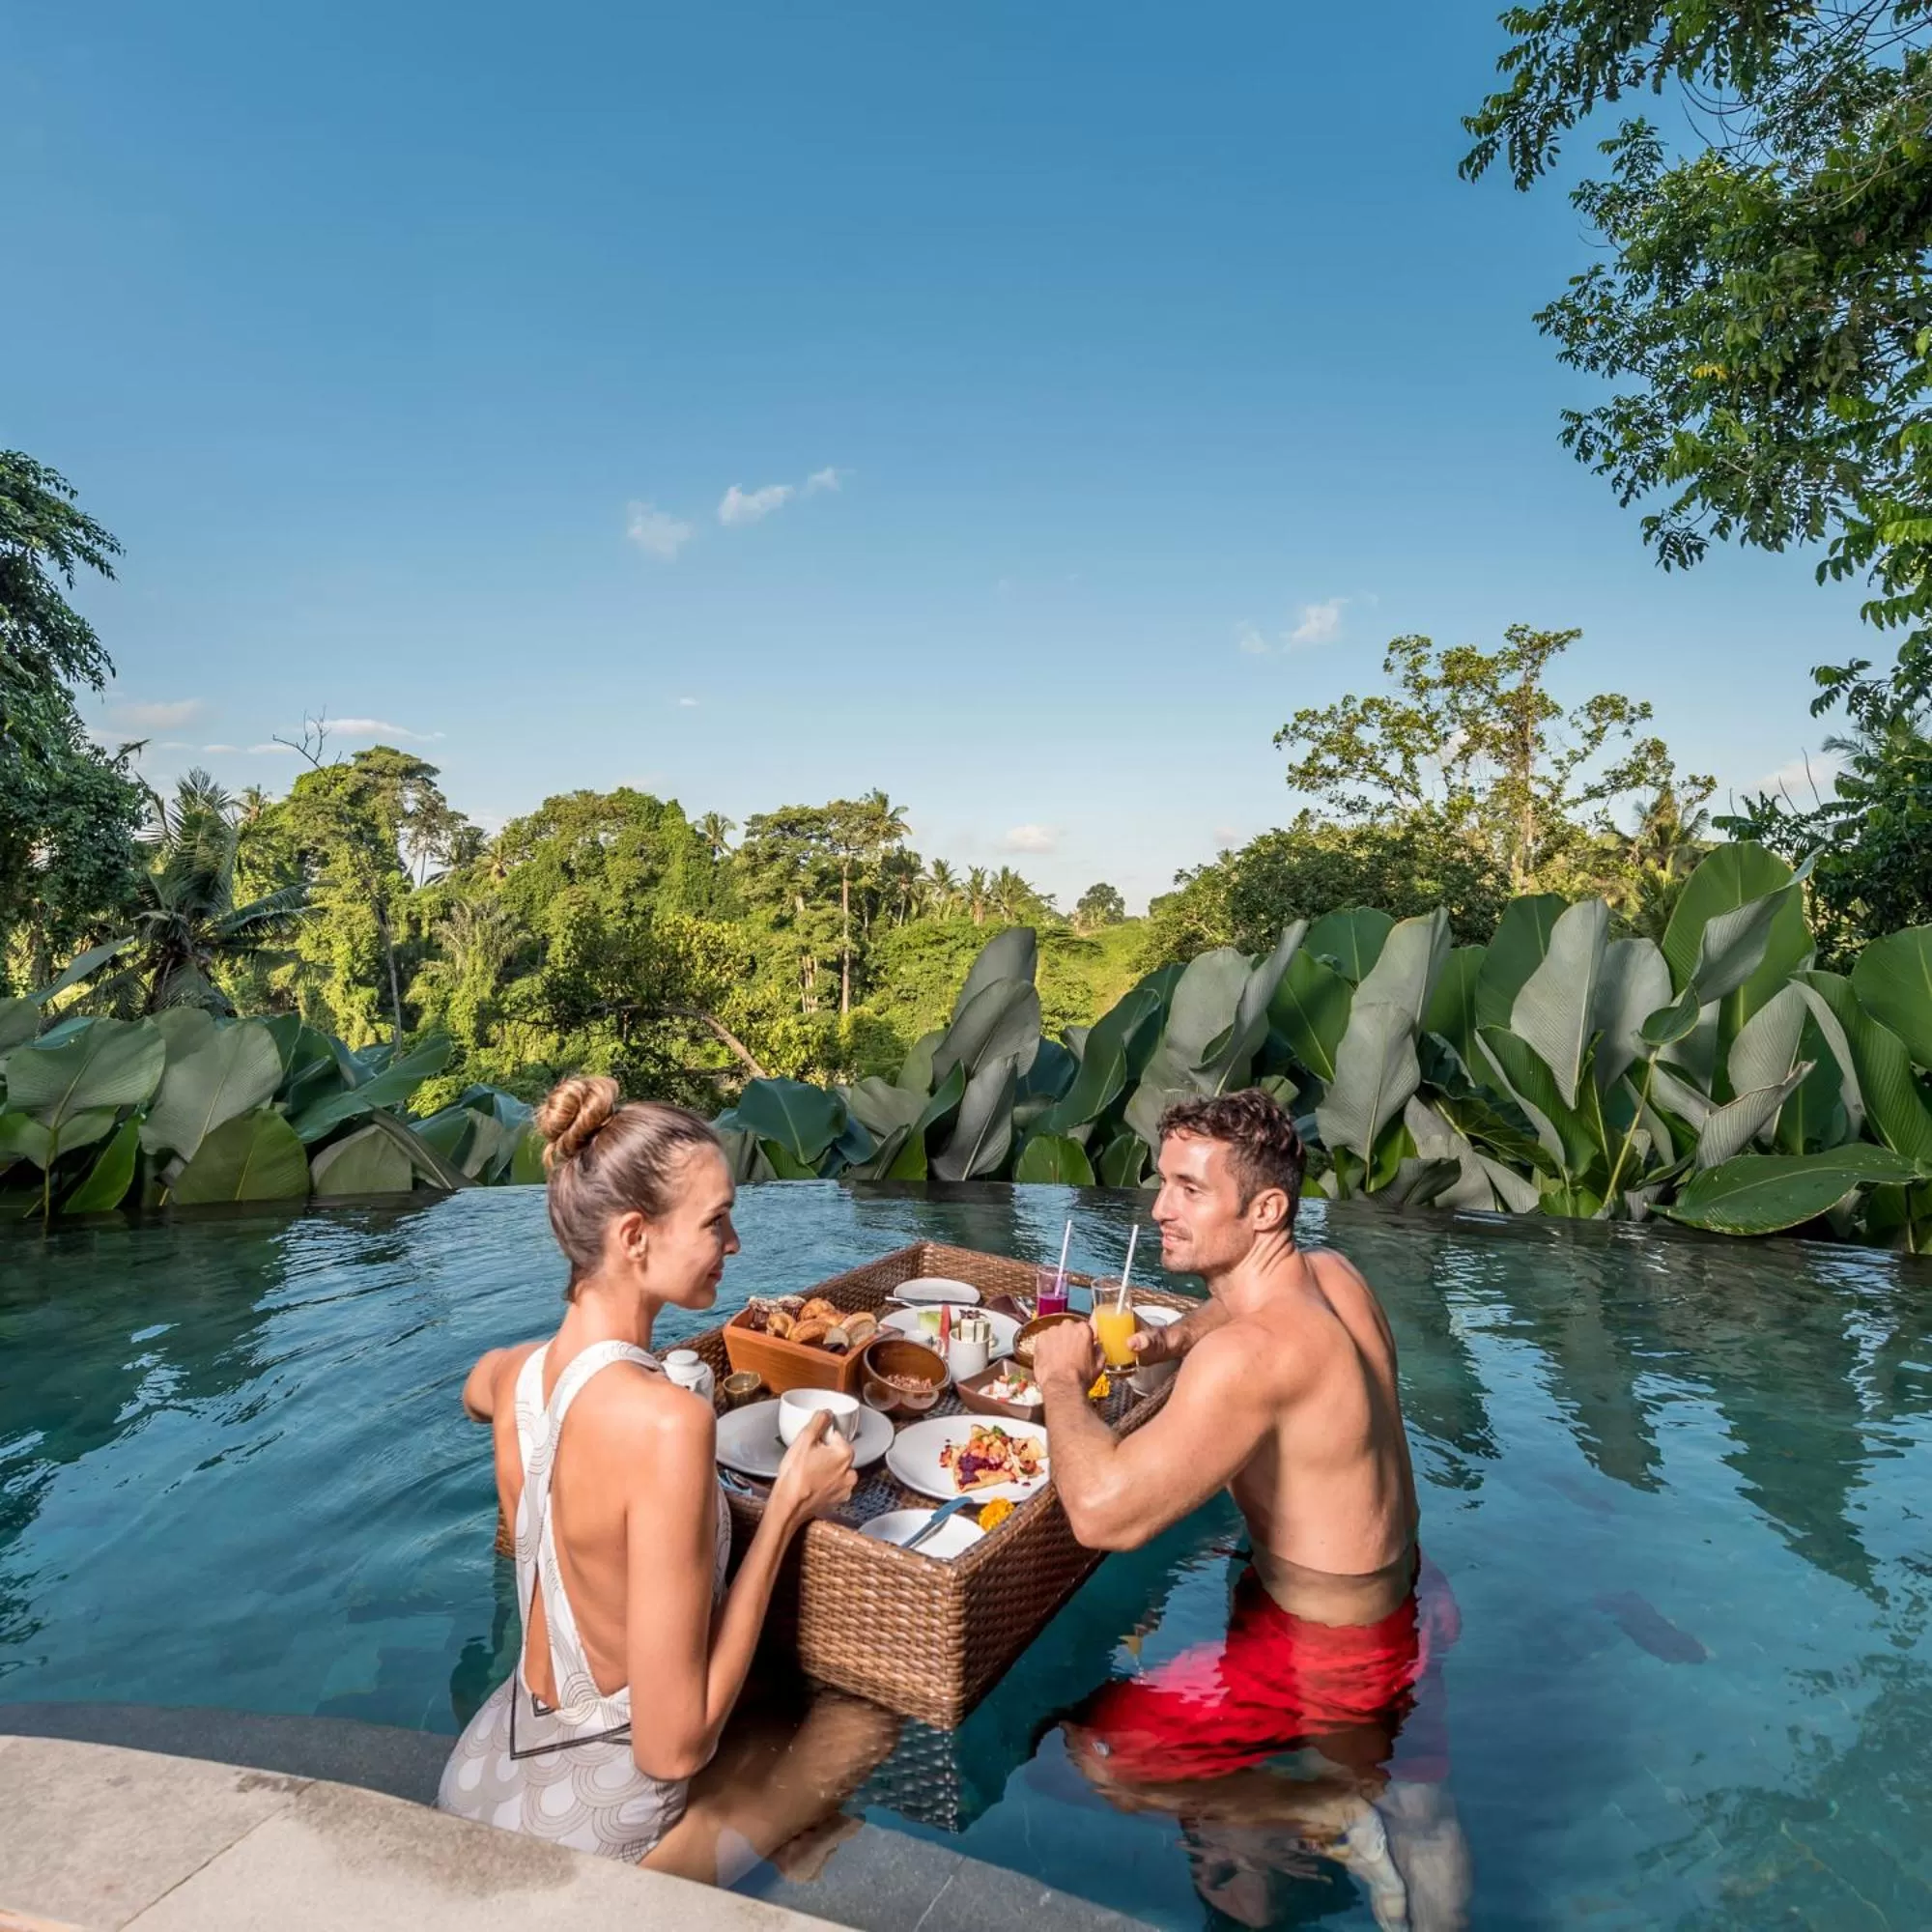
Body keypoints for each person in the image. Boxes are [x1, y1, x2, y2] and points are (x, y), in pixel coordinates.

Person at [1030, 1089, 1466, 1929]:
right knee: (1421, 1805)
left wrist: (1056, 1375)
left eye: (1191, 1190)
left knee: (1101, 1758)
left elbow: (1102, 1517)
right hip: (1409, 1599)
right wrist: (1162, 1342)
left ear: (1264, 1207)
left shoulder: (1253, 1359)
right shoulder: (1331, 1275)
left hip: (1328, 1658)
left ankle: (1321, 1812)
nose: (1160, 1208)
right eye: (1164, 1182)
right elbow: (1236, 1304)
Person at [437, 1075, 890, 1872]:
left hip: (484, 1772)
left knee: (757, 1700)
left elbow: (473, 1390)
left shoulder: (514, 1377)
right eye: (718, 1221)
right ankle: (750, 1855)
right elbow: (672, 1750)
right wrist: (785, 1511)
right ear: (634, 1237)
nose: (736, 1244)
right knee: (866, 1721)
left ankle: (780, 1835)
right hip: (593, 1832)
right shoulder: (668, 1424)